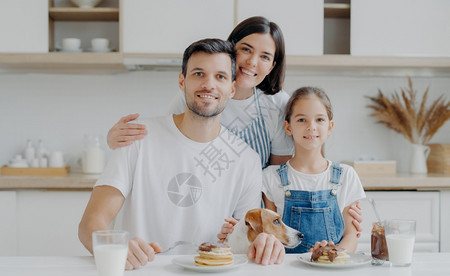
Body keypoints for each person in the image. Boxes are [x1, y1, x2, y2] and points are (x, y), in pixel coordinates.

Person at [106, 16, 364, 234]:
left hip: (250, 210)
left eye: (265, 56)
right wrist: (116, 141)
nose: (252, 62)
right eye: (246, 49)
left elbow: (276, 177)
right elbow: (169, 144)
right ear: (231, 49)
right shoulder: (201, 95)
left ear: (273, 65)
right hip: (199, 204)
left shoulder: (277, 106)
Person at [79, 38, 289, 270]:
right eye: (198, 74)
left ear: (232, 88)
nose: (208, 85)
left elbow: (245, 238)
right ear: (182, 81)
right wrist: (114, 248)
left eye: (220, 76)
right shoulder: (136, 137)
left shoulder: (247, 160)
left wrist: (265, 243)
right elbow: (91, 222)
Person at [261, 87, 366, 253]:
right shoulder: (270, 177)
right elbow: (269, 237)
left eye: (319, 120)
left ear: (330, 126)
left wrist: (328, 256)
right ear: (288, 127)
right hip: (285, 272)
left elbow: (351, 236)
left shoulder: (346, 175)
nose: (311, 127)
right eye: (302, 120)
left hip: (332, 270)